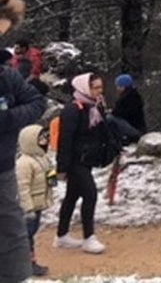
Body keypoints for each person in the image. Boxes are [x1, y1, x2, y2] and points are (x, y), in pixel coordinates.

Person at [0, 0, 49, 283]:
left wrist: (6, 119)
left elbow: (36, 102)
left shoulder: (6, 74)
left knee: (13, 234)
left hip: (2, 169)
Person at [54, 72, 113, 254]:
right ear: (84, 88)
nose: (99, 91)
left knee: (72, 196)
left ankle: (61, 235)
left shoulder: (95, 107)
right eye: (95, 87)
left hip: (87, 159)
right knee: (90, 194)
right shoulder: (72, 109)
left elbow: (100, 132)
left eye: (100, 87)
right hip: (75, 160)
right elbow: (66, 139)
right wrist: (62, 167)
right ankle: (89, 237)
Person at [15, 124, 54, 277]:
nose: (46, 140)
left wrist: (52, 179)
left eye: (46, 137)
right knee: (26, 235)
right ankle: (27, 264)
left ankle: (27, 262)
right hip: (29, 207)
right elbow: (22, 187)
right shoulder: (24, 163)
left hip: (39, 204)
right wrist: (27, 207)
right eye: (42, 138)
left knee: (31, 232)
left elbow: (49, 178)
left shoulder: (44, 158)